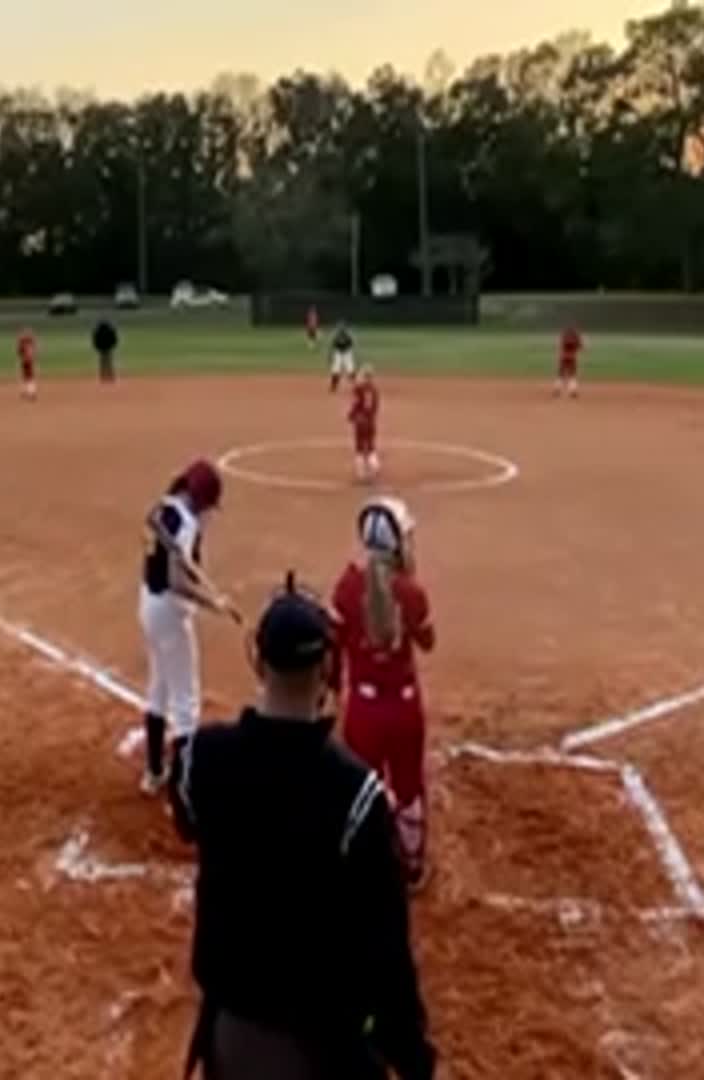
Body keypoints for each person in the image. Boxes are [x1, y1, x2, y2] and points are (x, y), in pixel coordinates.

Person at [169, 573, 436, 1080]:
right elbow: (387, 954)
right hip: (325, 1049)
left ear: (259, 662)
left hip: (232, 1040)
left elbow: (187, 817)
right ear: (329, 668)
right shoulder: (357, 795)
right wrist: (414, 1059)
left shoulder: (202, 758)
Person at [329, 496, 436, 889]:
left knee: (360, 789)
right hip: (404, 708)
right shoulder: (411, 592)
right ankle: (411, 867)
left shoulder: (346, 586)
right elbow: (428, 642)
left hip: (363, 709)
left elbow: (333, 648)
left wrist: (333, 693)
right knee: (408, 789)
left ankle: (363, 867)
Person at [139, 461, 241, 794]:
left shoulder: (163, 508)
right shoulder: (184, 523)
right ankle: (183, 792)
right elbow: (177, 580)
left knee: (159, 687)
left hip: (149, 605)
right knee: (185, 702)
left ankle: (154, 772)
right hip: (169, 612)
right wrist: (214, 604)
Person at [349, 366, 382, 483]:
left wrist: (351, 415)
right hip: (371, 421)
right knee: (371, 445)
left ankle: (361, 473)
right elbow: (375, 407)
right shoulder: (374, 390)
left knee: (359, 447)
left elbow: (355, 404)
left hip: (360, 421)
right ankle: (375, 466)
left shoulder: (358, 389)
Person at [556, 325, 583, 398]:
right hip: (573, 357)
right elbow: (581, 347)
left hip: (563, 357)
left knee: (560, 374)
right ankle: (573, 391)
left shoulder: (564, 337)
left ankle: (557, 389)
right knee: (572, 374)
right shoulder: (576, 338)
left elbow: (559, 345)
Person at [329, 322, 357, 393]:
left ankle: (355, 386)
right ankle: (333, 387)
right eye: (339, 327)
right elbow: (333, 346)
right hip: (338, 353)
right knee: (335, 369)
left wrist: (351, 354)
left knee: (350, 369)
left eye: (342, 328)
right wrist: (330, 354)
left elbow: (352, 344)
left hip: (347, 353)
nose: (341, 329)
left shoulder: (348, 335)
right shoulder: (336, 335)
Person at [93, 319, 120, 383]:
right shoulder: (110, 330)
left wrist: (98, 348)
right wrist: (112, 346)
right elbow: (114, 339)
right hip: (108, 349)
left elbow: (95, 341)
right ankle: (111, 377)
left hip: (102, 350)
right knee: (109, 364)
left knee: (102, 364)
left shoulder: (98, 331)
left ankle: (103, 377)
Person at [17, 328, 39, 401]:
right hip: (29, 361)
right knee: (29, 377)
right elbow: (35, 352)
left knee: (26, 377)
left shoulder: (22, 344)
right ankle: (29, 392)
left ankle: (29, 392)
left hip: (25, 361)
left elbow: (19, 352)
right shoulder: (31, 343)